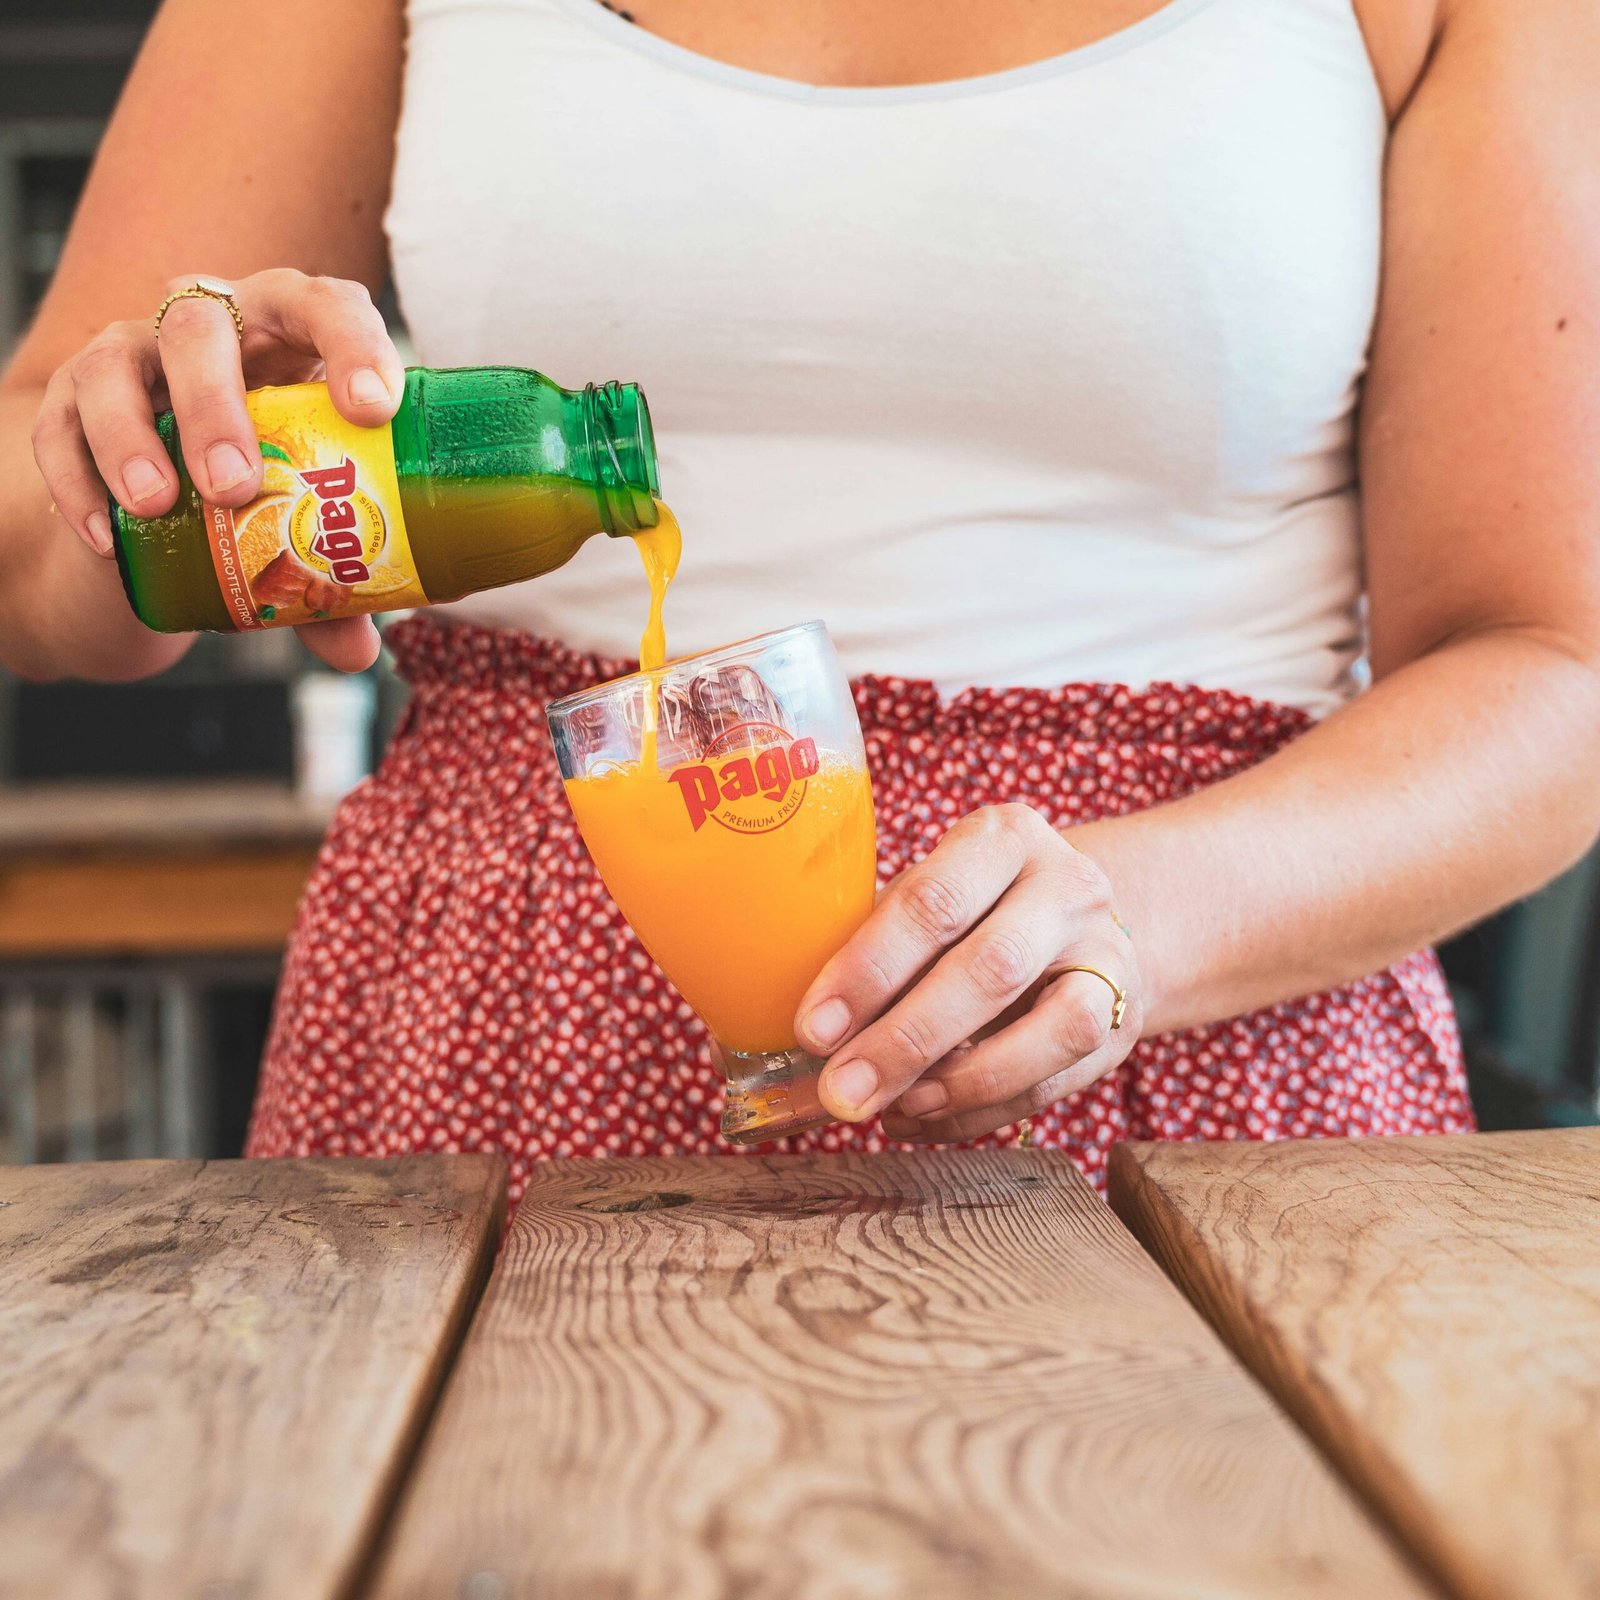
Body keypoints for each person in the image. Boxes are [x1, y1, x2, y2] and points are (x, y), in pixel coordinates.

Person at [3, 0, 1596, 1204]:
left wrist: (1145, 925)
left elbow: (1557, 665)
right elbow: (31, 566)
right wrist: (148, 478)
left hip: (1196, 1051)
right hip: (508, 1018)